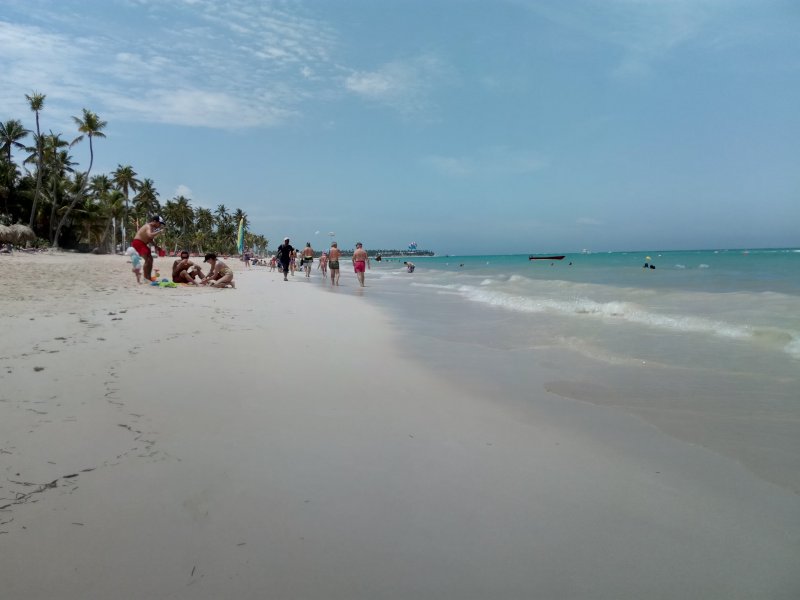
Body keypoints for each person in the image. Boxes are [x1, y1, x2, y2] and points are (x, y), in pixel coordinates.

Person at [132, 215, 165, 282]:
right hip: (138, 243)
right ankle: (145, 278)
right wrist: (159, 231)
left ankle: (148, 277)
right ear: (155, 221)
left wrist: (156, 247)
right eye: (160, 223)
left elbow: (149, 239)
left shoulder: (152, 228)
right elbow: (150, 235)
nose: (160, 225)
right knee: (147, 260)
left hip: (142, 244)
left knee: (150, 259)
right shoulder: (148, 226)